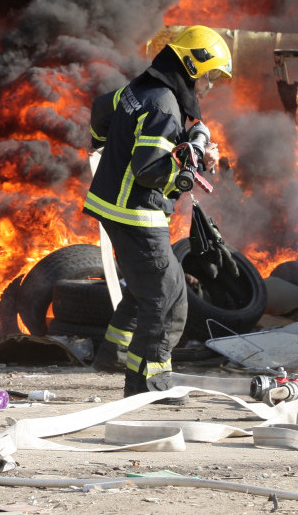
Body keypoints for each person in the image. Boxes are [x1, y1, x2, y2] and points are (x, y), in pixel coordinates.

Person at [82, 25, 232, 401]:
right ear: (191, 64)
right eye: (209, 75)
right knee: (167, 299)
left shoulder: (139, 89)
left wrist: (103, 145)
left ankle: (114, 356)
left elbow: (103, 108)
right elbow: (150, 170)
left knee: (146, 286)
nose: (210, 85)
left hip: (114, 206)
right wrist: (190, 164)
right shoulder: (165, 104)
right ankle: (148, 384)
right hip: (138, 214)